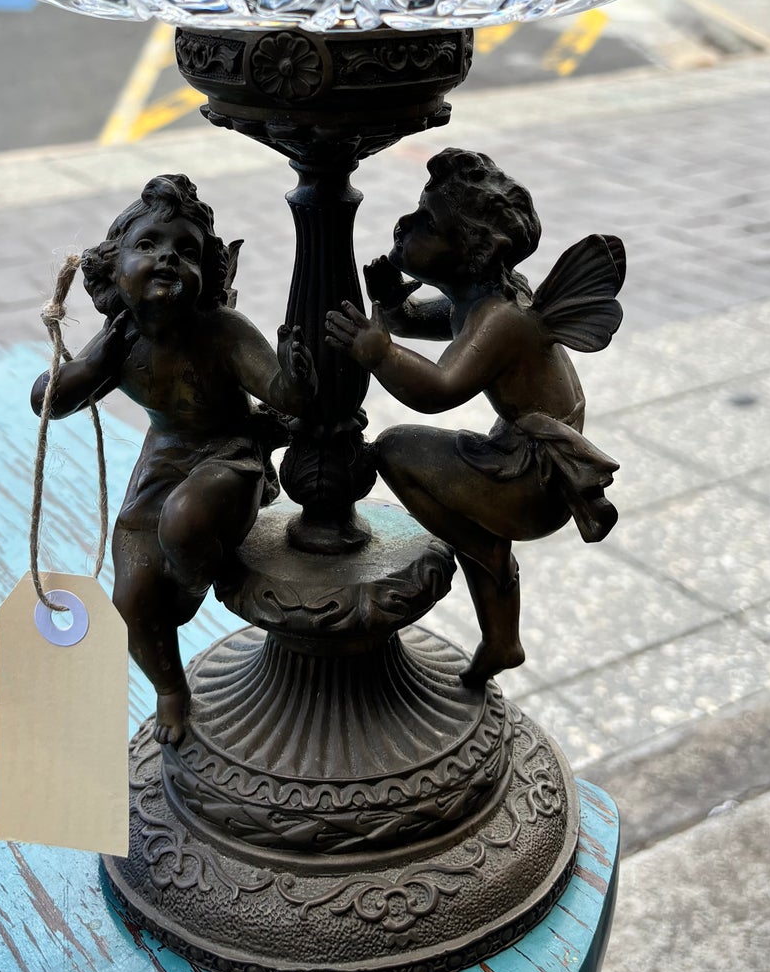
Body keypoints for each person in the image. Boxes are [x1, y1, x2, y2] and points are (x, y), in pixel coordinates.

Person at [325, 148, 623, 690]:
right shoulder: (490, 300)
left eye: (428, 223)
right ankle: (501, 640)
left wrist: (377, 354)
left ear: (474, 253)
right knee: (470, 529)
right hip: (528, 462)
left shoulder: (500, 319)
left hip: (535, 480)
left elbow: (440, 390)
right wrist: (394, 310)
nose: (407, 225)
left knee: (393, 448)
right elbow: (426, 324)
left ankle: (475, 541)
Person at [30, 175, 315, 742]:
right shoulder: (122, 340)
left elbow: (282, 391)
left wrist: (297, 369)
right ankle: (170, 687)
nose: (167, 258)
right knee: (131, 597)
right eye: (148, 245)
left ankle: (198, 572)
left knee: (184, 522)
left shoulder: (222, 331)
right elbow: (49, 402)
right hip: (162, 463)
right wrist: (93, 362)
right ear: (113, 268)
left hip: (231, 456)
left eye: (186, 251)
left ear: (206, 274)